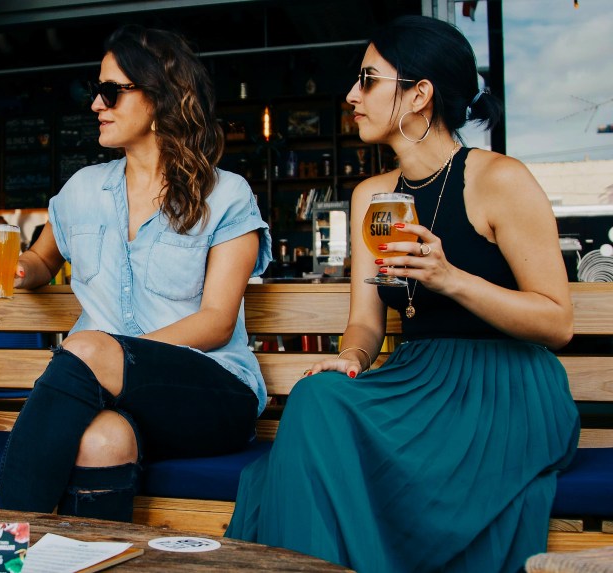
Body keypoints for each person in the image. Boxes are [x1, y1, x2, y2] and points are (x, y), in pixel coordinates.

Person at [226, 15, 579, 572]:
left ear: (419, 95)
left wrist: (450, 278)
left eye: (368, 80)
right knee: (317, 399)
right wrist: (350, 357)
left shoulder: (499, 179)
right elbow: (366, 322)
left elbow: (557, 323)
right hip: (414, 377)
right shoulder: (372, 195)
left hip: (504, 388)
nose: (351, 95)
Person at [0, 25, 271, 522]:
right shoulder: (83, 189)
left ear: (159, 96)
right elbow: (43, 261)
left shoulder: (225, 194)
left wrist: (115, 356)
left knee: (89, 347)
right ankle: (83, 554)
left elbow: (218, 322)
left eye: (111, 92)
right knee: (101, 441)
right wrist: (17, 270)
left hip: (208, 391)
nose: (96, 104)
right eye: (97, 91)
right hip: (110, 397)